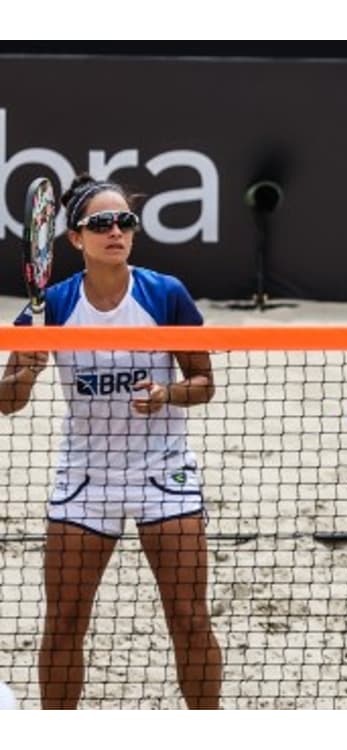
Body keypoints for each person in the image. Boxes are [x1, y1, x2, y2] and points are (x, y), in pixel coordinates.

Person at [0, 174, 221, 709]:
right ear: (75, 238)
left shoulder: (164, 293)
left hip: (161, 472)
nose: (115, 230)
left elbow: (204, 383)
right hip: (86, 479)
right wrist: (23, 372)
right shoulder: (48, 305)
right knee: (65, 622)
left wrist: (166, 393)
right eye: (101, 223)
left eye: (125, 221)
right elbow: (8, 402)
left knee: (188, 618)